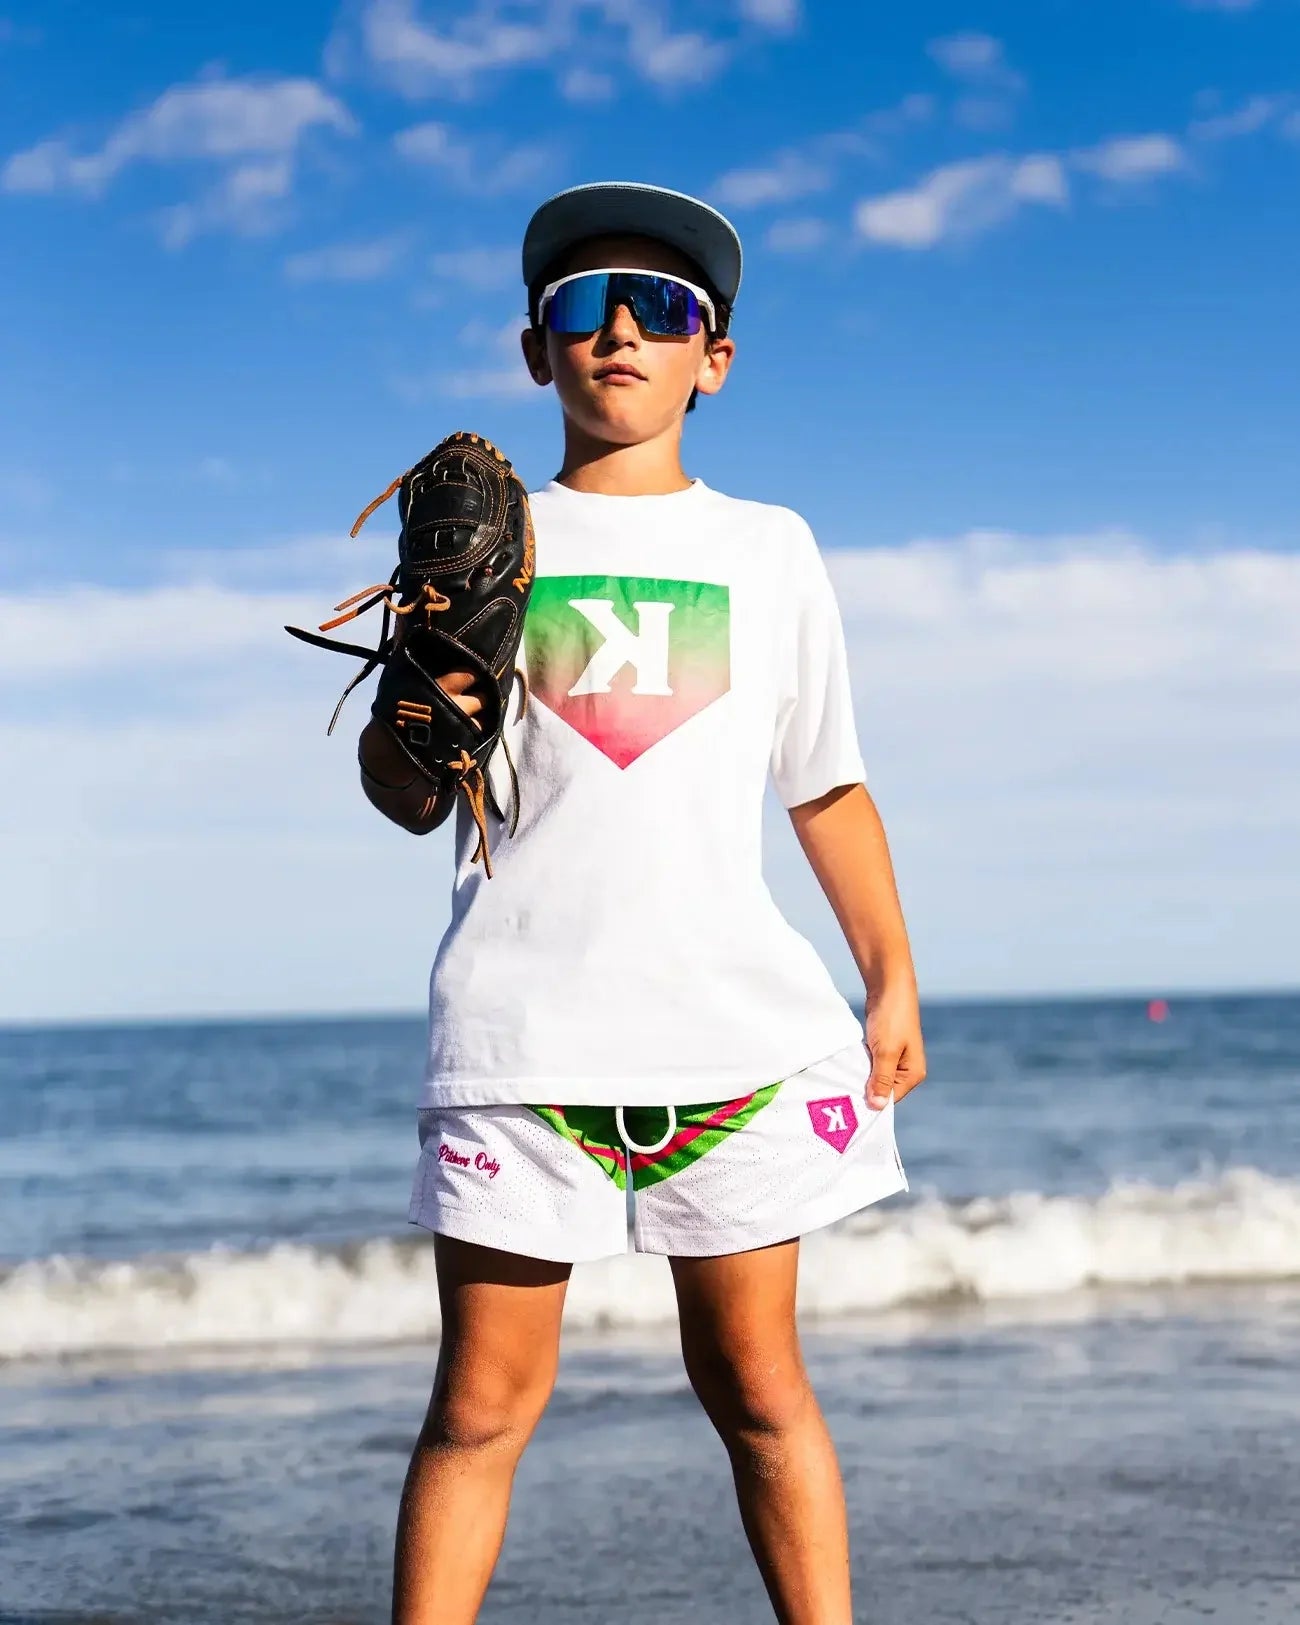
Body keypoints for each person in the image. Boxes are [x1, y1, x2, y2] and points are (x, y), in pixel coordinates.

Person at [358, 181, 927, 1625]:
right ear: (537, 349)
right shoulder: (490, 538)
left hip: (732, 1037)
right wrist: (425, 701)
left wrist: (891, 974)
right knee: (480, 1407)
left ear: (711, 359)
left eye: (662, 307)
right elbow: (409, 793)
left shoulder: (770, 548)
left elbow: (828, 785)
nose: (621, 328)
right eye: (582, 306)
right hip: (522, 1035)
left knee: (758, 1388)